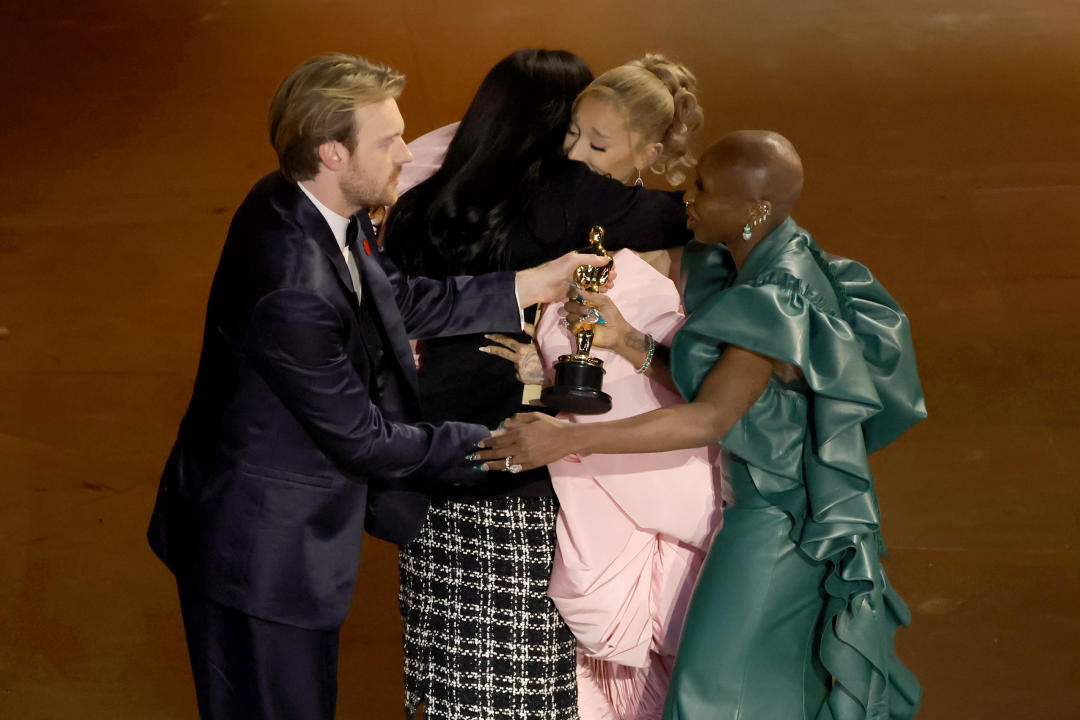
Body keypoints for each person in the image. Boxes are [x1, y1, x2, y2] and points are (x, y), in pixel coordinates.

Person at [146, 52, 608, 720]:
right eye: (388, 139)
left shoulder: (304, 202)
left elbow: (394, 298)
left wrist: (534, 284)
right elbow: (362, 438)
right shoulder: (292, 290)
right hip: (258, 555)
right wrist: (505, 446)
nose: (406, 152)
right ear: (333, 153)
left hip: (268, 532)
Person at [475, 130, 927, 719]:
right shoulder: (750, 262)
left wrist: (567, 438)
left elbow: (711, 416)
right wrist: (626, 338)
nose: (685, 197)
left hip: (779, 524)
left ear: (754, 209)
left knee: (712, 694)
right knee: (762, 691)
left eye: (703, 189)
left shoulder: (777, 293)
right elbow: (723, 383)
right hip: (778, 510)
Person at [381, 49, 703, 720]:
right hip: (522, 483)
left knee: (441, 690)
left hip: (428, 472)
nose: (575, 150)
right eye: (571, 131)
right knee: (523, 695)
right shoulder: (569, 196)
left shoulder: (415, 201)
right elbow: (689, 217)